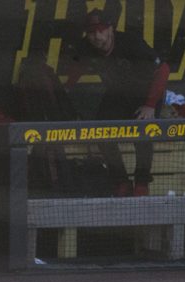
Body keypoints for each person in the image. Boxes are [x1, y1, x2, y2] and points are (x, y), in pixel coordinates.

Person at [65, 8, 170, 196]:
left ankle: (141, 183)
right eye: (91, 32)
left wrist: (150, 105)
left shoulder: (131, 43)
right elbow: (77, 67)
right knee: (101, 130)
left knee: (143, 132)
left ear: (111, 29)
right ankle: (121, 181)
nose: (97, 36)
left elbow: (163, 70)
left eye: (101, 30)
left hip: (145, 94)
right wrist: (67, 87)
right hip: (117, 93)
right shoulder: (85, 47)